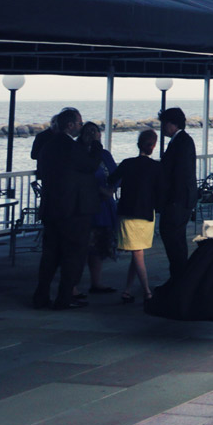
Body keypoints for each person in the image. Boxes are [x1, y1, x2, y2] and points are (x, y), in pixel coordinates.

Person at [31, 108, 98, 309]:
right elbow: (91, 165)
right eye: (79, 123)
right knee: (73, 255)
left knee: (50, 254)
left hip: (52, 208)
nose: (80, 126)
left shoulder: (47, 147)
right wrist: (95, 143)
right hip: (74, 211)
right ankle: (64, 297)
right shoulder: (72, 147)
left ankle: (41, 295)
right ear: (70, 125)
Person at [109, 129, 162, 303]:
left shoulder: (127, 163)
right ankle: (146, 292)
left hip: (128, 211)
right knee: (137, 251)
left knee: (136, 251)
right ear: (153, 146)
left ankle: (128, 290)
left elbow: (111, 180)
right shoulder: (156, 167)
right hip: (147, 213)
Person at [157, 107, 197, 282]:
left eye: (164, 124)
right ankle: (180, 276)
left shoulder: (181, 142)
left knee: (174, 240)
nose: (163, 128)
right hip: (181, 199)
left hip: (177, 200)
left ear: (172, 124)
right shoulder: (181, 140)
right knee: (176, 239)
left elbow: (179, 173)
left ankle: (179, 278)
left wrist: (172, 200)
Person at [81, 122, 118, 295]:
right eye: (89, 132)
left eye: (95, 131)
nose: (94, 135)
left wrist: (112, 188)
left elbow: (116, 173)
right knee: (83, 244)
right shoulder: (79, 154)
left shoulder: (104, 154)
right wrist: (98, 190)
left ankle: (96, 282)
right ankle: (72, 285)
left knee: (99, 246)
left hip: (105, 205)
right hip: (87, 206)